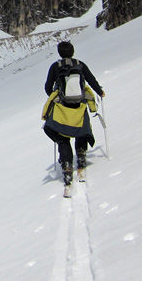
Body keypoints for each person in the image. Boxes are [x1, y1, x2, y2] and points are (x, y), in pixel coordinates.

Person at [42, 41, 105, 185]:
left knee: (61, 135)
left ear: (60, 53)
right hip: (80, 105)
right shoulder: (80, 64)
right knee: (81, 129)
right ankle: (81, 155)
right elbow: (91, 80)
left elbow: (47, 87)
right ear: (73, 51)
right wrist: (100, 92)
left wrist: (54, 96)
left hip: (61, 107)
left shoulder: (55, 66)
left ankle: (66, 165)